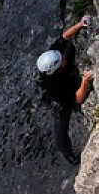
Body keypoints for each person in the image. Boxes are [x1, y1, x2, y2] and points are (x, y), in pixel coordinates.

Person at [35, 15, 95, 165]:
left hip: (66, 76)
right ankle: (67, 153)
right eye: (61, 59)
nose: (63, 57)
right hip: (62, 99)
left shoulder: (52, 57)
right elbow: (77, 99)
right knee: (61, 128)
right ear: (56, 68)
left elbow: (64, 37)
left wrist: (80, 24)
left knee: (70, 48)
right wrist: (85, 81)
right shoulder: (53, 87)